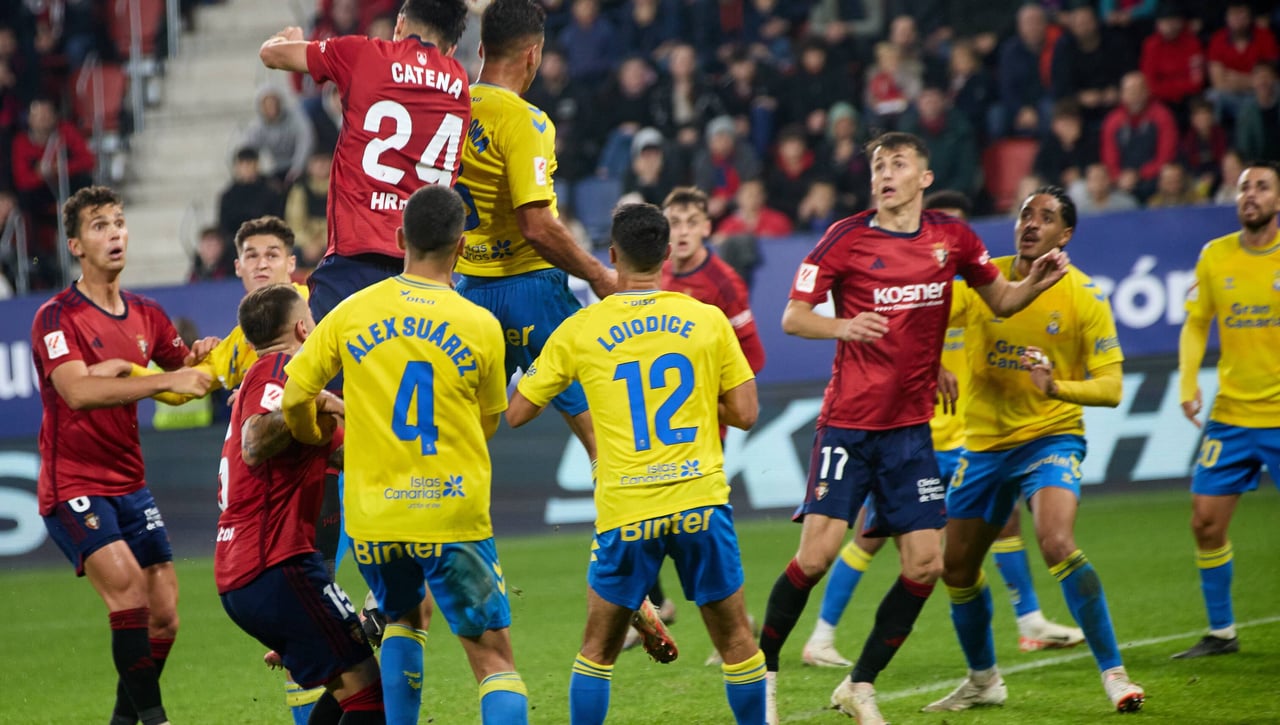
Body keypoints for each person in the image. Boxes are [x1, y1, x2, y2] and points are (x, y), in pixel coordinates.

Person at [760, 131, 1070, 725]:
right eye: (879, 164)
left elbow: (1003, 300)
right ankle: (763, 676)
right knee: (816, 557)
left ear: (924, 178)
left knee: (926, 565)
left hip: (908, 432)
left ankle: (859, 685)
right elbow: (793, 317)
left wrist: (1036, 282)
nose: (885, 173)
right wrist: (843, 327)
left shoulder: (952, 239)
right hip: (848, 426)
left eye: (898, 163)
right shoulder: (845, 237)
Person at [800, 189, 1083, 670]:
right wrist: (931, 369)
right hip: (912, 436)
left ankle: (1029, 619)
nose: (939, 243)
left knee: (1003, 522)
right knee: (872, 535)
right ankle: (822, 635)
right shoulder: (911, 291)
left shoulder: (973, 289)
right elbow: (890, 337)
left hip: (965, 437)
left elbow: (1004, 318)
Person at [506, 202, 765, 725]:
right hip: (699, 501)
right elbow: (745, 413)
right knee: (737, 641)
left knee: (597, 652)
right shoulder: (706, 320)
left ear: (612, 255)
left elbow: (516, 413)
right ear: (666, 254)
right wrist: (698, 398)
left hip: (627, 511)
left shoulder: (580, 329)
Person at [280, 185, 527, 725]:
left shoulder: (350, 312)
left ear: (398, 239)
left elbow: (295, 396)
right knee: (493, 660)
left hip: (376, 518)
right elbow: (488, 422)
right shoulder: (480, 325)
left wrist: (315, 438)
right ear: (461, 246)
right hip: (452, 513)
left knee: (402, 618)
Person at [922, 186, 1144, 715]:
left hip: (1051, 436)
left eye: (1045, 217)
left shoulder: (1083, 295)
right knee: (955, 569)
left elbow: (1113, 387)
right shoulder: (986, 280)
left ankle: (1115, 674)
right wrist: (931, 364)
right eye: (1025, 213)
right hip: (984, 446)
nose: (1031, 223)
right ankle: (983, 681)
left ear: (1065, 234)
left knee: (1056, 541)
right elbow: (922, 320)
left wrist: (1056, 387)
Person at [31, 186, 214, 725]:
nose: (114, 234)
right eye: (99, 226)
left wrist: (203, 360)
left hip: (131, 484)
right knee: (130, 594)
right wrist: (154, 378)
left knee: (165, 615)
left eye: (118, 222)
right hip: (73, 484)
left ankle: (122, 722)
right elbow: (77, 392)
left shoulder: (148, 314)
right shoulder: (56, 317)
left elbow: (183, 380)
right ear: (75, 246)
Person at [455, 0, 616, 470]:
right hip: (533, 289)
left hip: (469, 292)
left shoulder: (449, 109)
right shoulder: (525, 120)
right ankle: (624, 518)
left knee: (461, 439)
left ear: (482, 49)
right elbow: (537, 226)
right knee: (602, 434)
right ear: (533, 54)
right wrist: (598, 275)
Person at [216, 283, 385, 725]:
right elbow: (255, 442)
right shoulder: (280, 368)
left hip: (252, 570)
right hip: (275, 563)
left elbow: (352, 454)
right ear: (303, 329)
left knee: (355, 683)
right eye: (311, 317)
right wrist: (322, 399)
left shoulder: (287, 391)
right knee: (370, 698)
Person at [258, 0, 471, 325]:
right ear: (452, 48)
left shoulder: (364, 54)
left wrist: (289, 39)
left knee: (318, 355)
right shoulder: (461, 86)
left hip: (356, 262)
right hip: (422, 270)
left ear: (400, 24)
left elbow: (271, 55)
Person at [1173, 160, 1280, 660]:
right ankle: (1221, 633)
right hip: (1233, 414)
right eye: (1243, 188)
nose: (1250, 195)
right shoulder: (1215, 255)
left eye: (1262, 187)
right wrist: (1188, 382)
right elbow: (1197, 323)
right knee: (1205, 522)